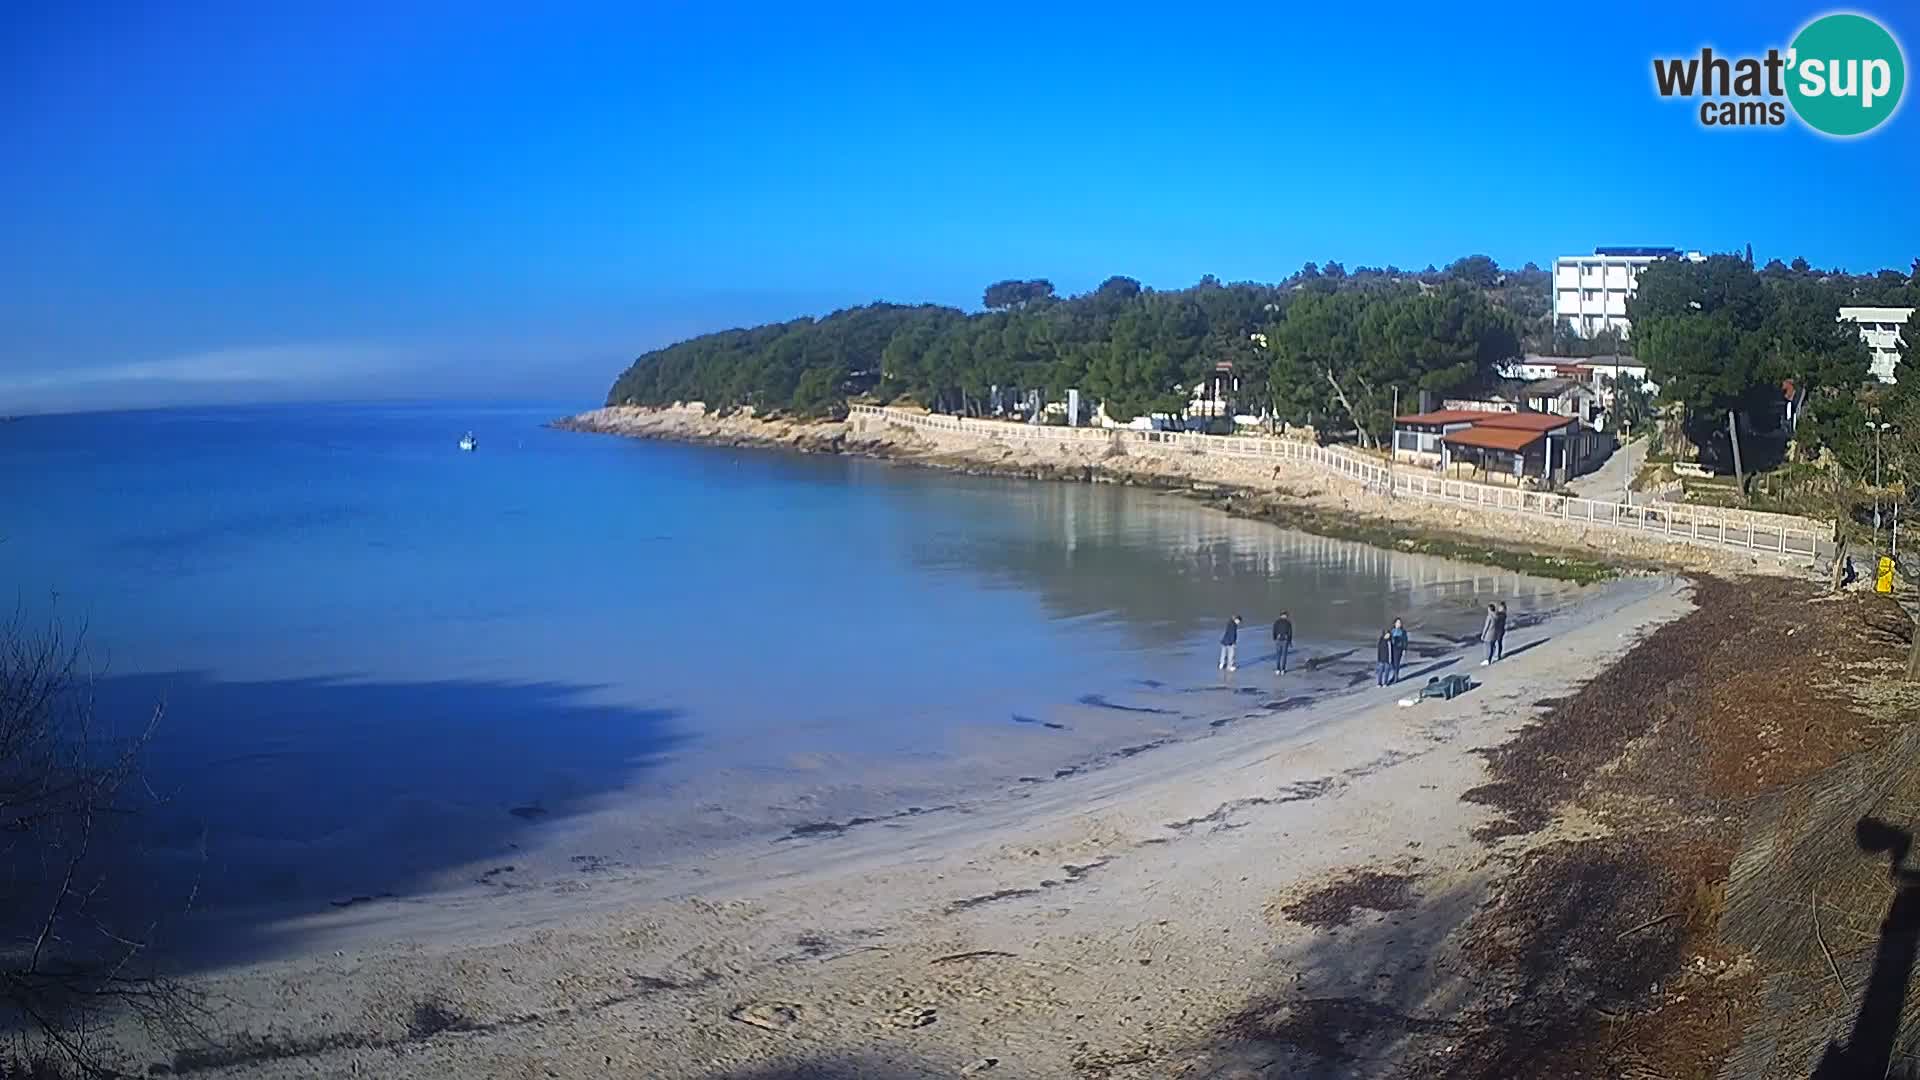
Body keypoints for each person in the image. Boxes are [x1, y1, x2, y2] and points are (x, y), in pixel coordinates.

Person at [1388, 618, 1408, 683]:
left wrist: (1404, 649)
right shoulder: (1392, 631)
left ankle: (1396, 677)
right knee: (1392, 663)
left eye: (1400, 623)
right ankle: (1393, 676)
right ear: (1395, 623)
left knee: (1397, 663)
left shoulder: (1403, 632)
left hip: (1399, 649)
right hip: (1392, 648)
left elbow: (1405, 641)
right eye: (1397, 622)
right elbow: (1389, 639)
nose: (1399, 624)